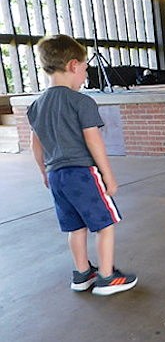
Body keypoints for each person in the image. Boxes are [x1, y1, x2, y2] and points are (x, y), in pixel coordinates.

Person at [27, 34, 137, 296]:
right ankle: (107, 277)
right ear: (73, 66)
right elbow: (93, 141)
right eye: (85, 69)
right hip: (82, 172)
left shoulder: (36, 105)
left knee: (75, 226)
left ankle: (82, 274)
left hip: (56, 175)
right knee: (105, 224)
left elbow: (36, 143)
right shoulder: (81, 102)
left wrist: (44, 171)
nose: (85, 76)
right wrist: (108, 176)